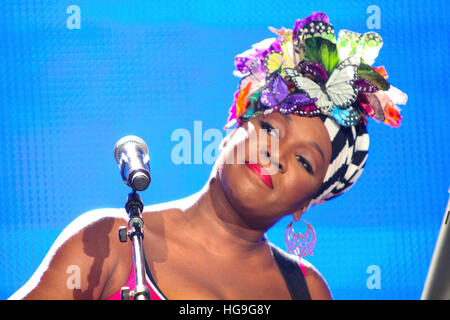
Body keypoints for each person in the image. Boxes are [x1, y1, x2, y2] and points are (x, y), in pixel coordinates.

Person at [9, 12, 407, 300]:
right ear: (231, 131)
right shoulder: (107, 243)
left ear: (307, 202)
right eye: (269, 129)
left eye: (304, 161)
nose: (277, 155)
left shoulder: (307, 291)